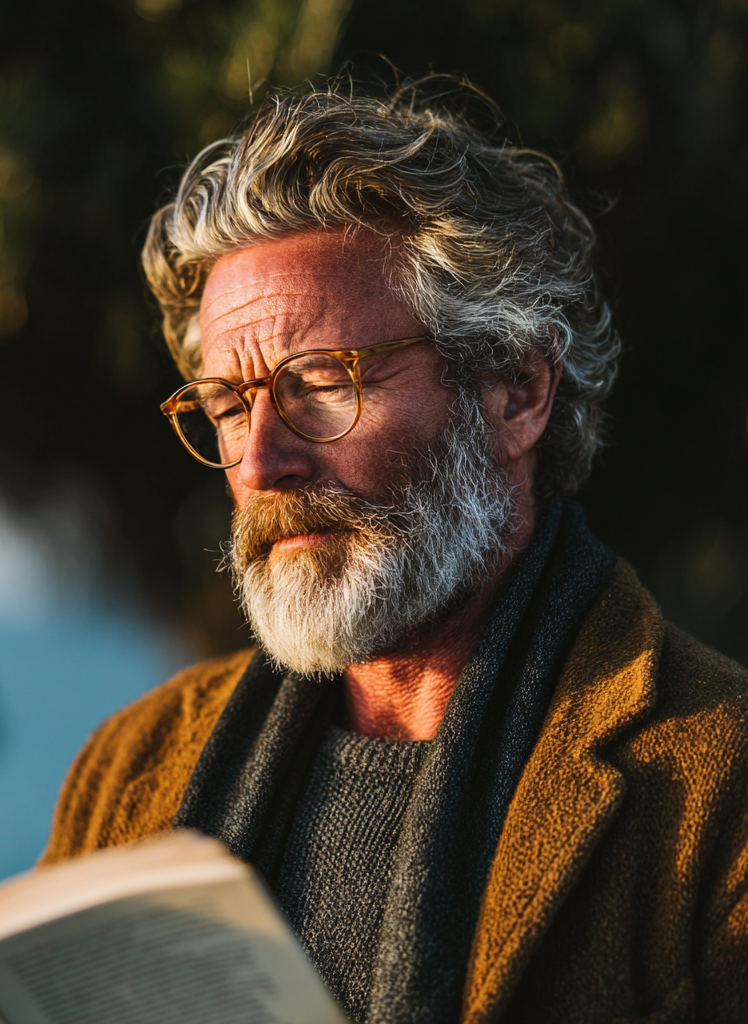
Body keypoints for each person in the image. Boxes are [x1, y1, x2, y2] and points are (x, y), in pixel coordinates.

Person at [40, 86, 748, 1023]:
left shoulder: (721, 785)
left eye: (321, 384)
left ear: (516, 391)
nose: (259, 460)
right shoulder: (130, 766)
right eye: (224, 406)